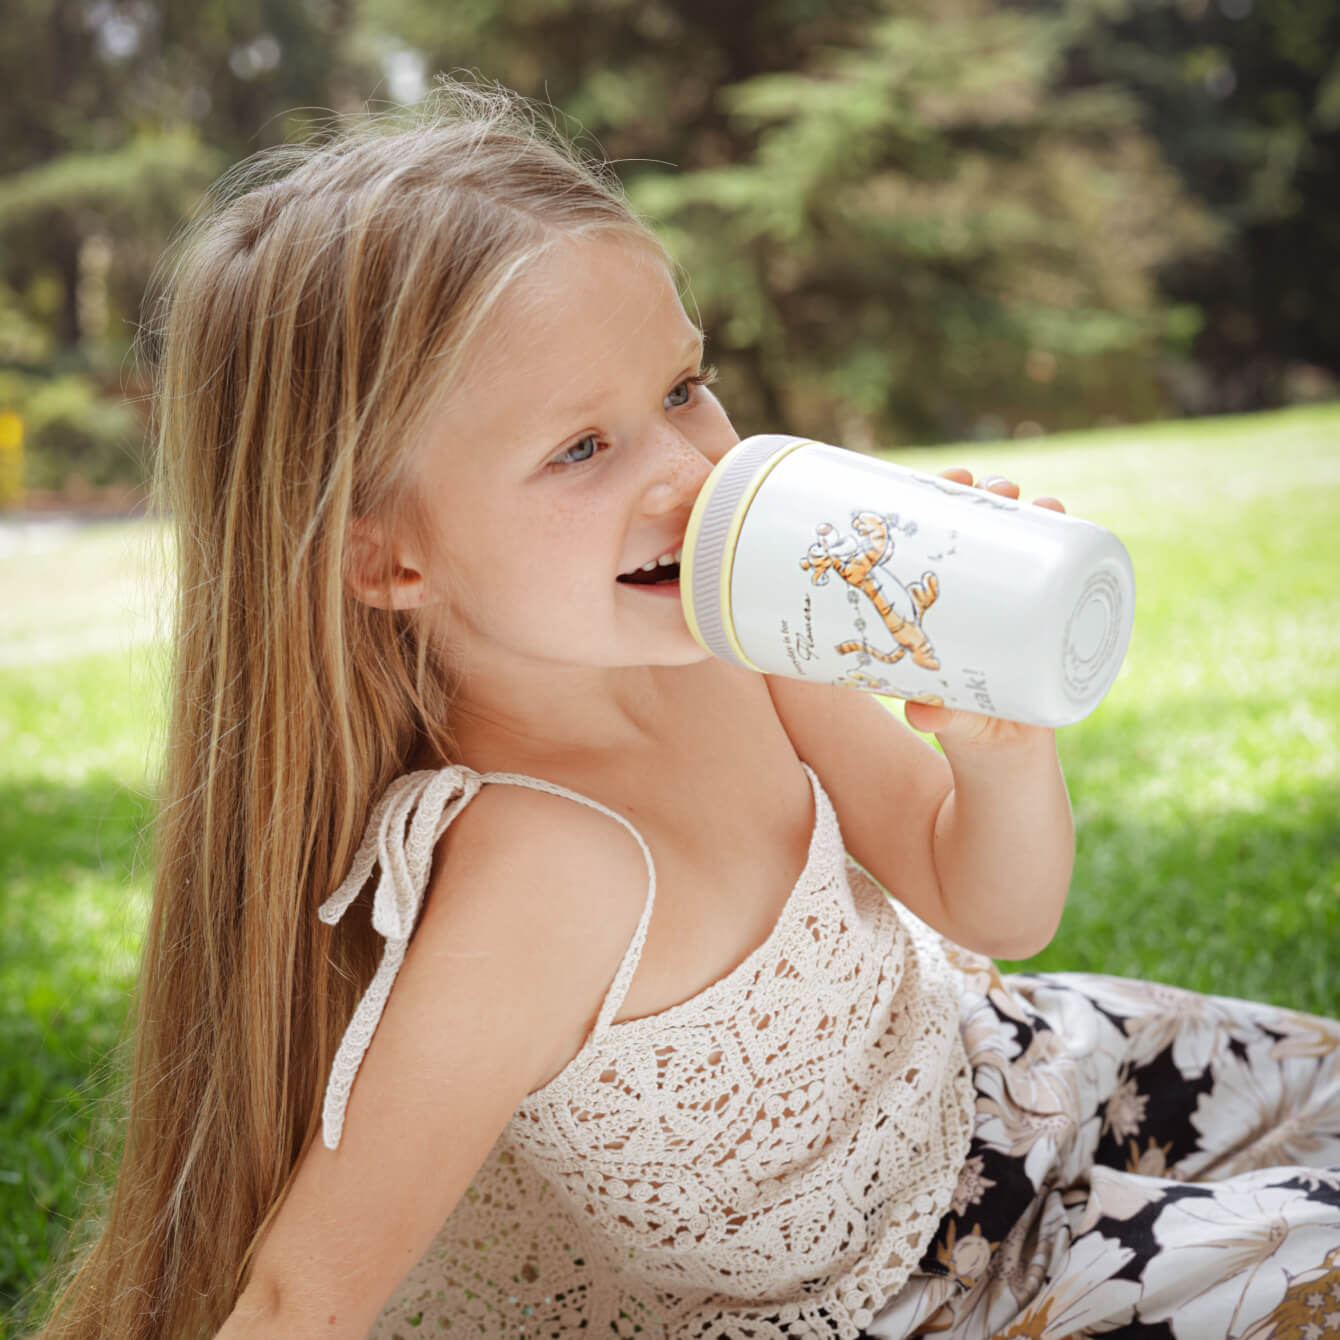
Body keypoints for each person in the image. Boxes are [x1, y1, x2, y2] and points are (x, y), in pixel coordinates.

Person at [37, 80, 1340, 1340]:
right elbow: (297, 1302)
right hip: (945, 1301)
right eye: (580, 449)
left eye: (680, 387)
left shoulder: (742, 630)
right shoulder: (538, 875)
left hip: (1012, 1087)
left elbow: (989, 904)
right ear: (386, 558)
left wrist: (1000, 743)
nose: (688, 467)